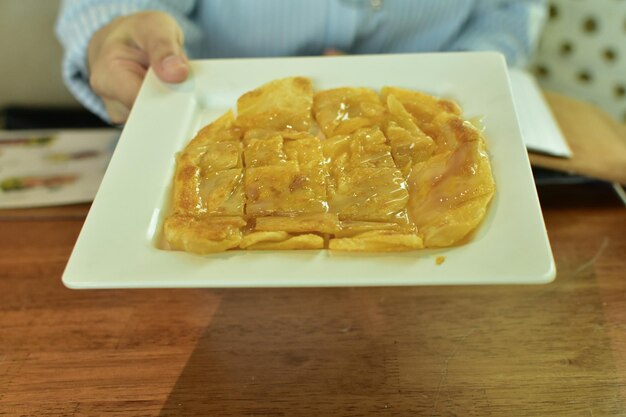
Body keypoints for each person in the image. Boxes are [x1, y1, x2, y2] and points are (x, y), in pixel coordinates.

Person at [56, 0, 546, 124]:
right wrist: (114, 34)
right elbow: (116, 9)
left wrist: (460, 76)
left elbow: (508, 14)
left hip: (435, 132)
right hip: (200, 127)